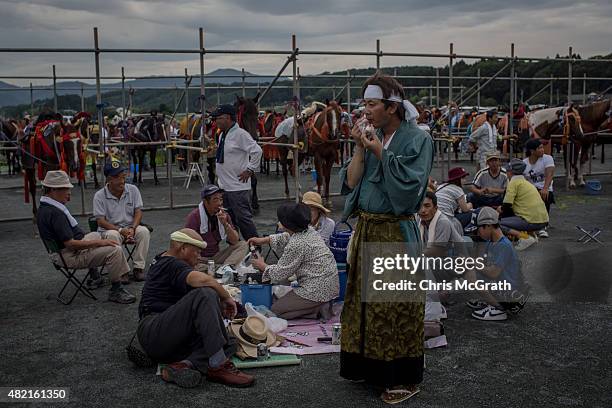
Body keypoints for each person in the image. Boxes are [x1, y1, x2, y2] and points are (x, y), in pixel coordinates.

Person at [339, 72, 433, 404]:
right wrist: (361, 149)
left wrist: (380, 151)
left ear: (392, 107)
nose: (366, 111)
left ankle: (402, 378)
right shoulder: (372, 134)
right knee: (366, 305)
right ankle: (370, 368)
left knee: (393, 306)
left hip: (395, 231)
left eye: (372, 104)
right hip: (368, 229)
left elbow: (411, 190)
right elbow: (351, 183)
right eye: (364, 103)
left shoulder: (418, 139)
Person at [137, 228, 254, 388]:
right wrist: (226, 297)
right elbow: (204, 281)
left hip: (168, 336)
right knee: (205, 293)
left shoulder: (164, 259)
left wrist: (216, 309)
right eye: (197, 252)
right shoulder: (171, 263)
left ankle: (182, 365)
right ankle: (217, 366)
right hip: (154, 332)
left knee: (227, 341)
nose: (199, 257)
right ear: (182, 247)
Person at [37, 170, 136, 304]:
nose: (69, 193)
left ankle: (96, 275)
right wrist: (99, 243)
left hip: (60, 252)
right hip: (67, 256)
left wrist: (96, 240)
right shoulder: (55, 214)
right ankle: (116, 289)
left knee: (96, 234)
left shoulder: (44, 207)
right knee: (114, 249)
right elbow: (71, 244)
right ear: (54, 190)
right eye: (66, 189)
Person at [248, 203, 339, 320]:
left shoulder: (297, 244)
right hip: (329, 285)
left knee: (275, 311)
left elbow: (280, 273)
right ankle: (315, 307)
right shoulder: (308, 230)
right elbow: (286, 236)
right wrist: (264, 240)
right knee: (282, 305)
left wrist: (262, 265)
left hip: (316, 290)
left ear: (288, 225)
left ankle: (315, 311)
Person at [465, 207, 527, 321]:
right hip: (501, 285)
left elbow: (493, 273)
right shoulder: (491, 242)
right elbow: (483, 262)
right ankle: (491, 301)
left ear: (488, 226)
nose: (477, 233)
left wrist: (472, 263)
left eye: (478, 230)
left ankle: (499, 308)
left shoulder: (503, 245)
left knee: (471, 276)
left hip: (511, 292)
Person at [93, 161, 150, 282]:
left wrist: (132, 228)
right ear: (109, 179)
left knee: (144, 231)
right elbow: (100, 221)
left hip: (130, 227)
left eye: (123, 177)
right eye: (118, 178)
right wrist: (120, 230)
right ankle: (122, 271)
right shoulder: (99, 196)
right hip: (110, 230)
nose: (122, 181)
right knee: (113, 235)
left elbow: (138, 212)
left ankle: (138, 268)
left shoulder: (133, 189)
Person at [213, 104, 262, 241]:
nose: (216, 121)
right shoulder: (223, 134)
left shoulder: (240, 134)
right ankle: (237, 250)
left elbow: (257, 151)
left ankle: (255, 249)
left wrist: (250, 169)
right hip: (225, 187)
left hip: (237, 187)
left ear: (228, 118)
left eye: (218, 118)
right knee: (230, 221)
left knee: (243, 220)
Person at [184, 184, 248, 270]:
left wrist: (225, 224)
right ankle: (221, 269)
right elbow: (187, 243)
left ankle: (225, 268)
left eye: (221, 199)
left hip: (216, 256)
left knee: (243, 245)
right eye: (215, 199)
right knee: (194, 267)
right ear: (205, 201)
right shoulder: (195, 216)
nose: (219, 203)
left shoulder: (224, 215)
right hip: (199, 258)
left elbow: (234, 241)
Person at [499, 159, 549, 251]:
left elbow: (507, 205)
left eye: (507, 171)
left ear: (510, 172)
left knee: (497, 224)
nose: (506, 173)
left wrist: (499, 212)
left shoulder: (513, 183)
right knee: (522, 214)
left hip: (530, 221)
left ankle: (525, 238)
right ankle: (532, 236)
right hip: (543, 220)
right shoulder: (527, 183)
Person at [523, 138, 555, 238]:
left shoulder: (547, 158)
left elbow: (549, 174)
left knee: (545, 194)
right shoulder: (524, 163)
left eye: (542, 147)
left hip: (544, 187)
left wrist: (545, 188)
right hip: (530, 189)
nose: (542, 150)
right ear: (532, 151)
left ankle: (542, 226)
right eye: (540, 148)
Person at [435, 167, 473, 233]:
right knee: (473, 214)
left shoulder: (441, 186)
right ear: (457, 179)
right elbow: (465, 209)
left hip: (435, 217)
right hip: (446, 220)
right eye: (463, 178)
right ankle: (465, 232)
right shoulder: (458, 190)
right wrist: (470, 205)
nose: (465, 180)